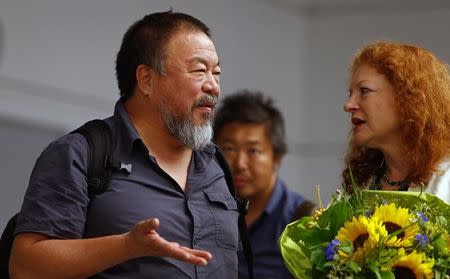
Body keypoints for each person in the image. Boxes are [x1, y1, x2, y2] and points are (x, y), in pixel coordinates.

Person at [9, 11, 240, 278]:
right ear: (146, 79)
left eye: (217, 72)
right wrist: (127, 246)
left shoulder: (217, 165)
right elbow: (25, 267)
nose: (213, 86)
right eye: (200, 71)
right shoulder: (81, 154)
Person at [213, 90, 314, 279]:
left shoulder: (304, 220)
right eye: (229, 149)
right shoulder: (203, 213)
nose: (240, 164)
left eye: (253, 151)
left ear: (277, 156)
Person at [342, 40, 450, 203]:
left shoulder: (446, 178)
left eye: (364, 91)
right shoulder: (360, 182)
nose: (348, 105)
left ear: (407, 98)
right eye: (350, 94)